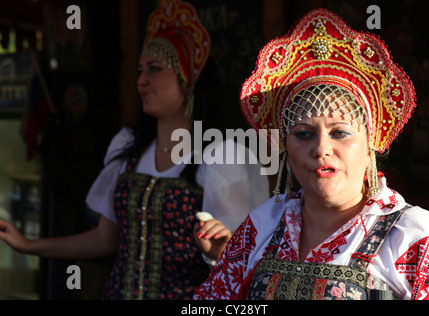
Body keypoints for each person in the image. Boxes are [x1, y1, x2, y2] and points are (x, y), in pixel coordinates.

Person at [0, 0, 269, 300]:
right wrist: (29, 245)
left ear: (189, 80)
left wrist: (219, 253)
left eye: (155, 69)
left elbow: (239, 260)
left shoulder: (220, 156)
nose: (142, 79)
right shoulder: (129, 147)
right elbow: (104, 239)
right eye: (141, 69)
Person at [193, 8, 429, 300]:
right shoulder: (262, 225)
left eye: (339, 133)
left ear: (370, 145)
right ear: (286, 149)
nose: (321, 149)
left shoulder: (414, 236)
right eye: (303, 134)